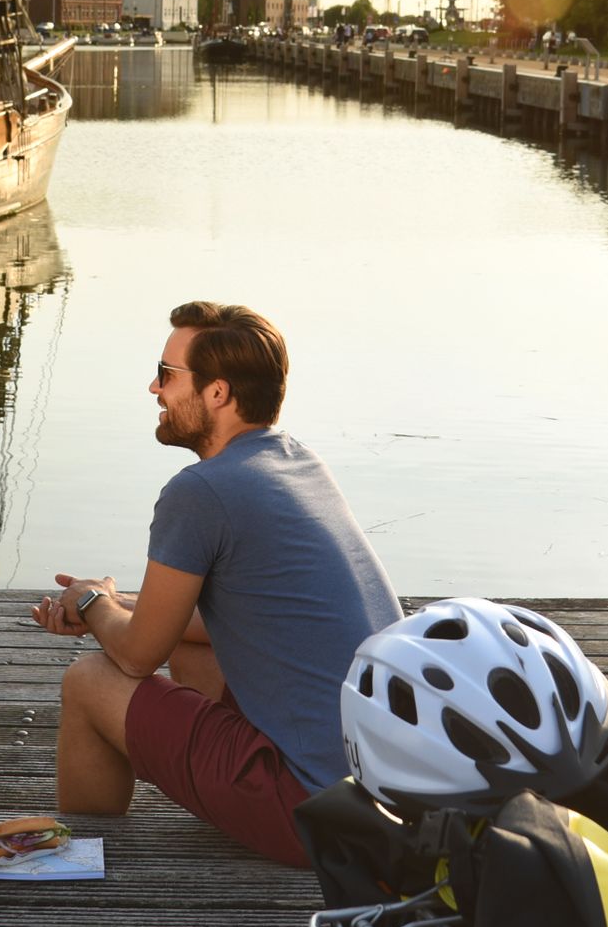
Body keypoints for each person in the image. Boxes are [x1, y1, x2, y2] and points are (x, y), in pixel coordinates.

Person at [33, 302, 401, 868]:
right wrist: (116, 605)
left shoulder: (201, 490)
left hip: (314, 811)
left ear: (217, 394)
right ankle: (215, 782)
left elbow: (134, 656)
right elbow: (223, 618)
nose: (153, 388)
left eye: (167, 374)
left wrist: (89, 600)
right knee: (183, 640)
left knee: (89, 680)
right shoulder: (297, 462)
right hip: (382, 795)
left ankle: (81, 865)